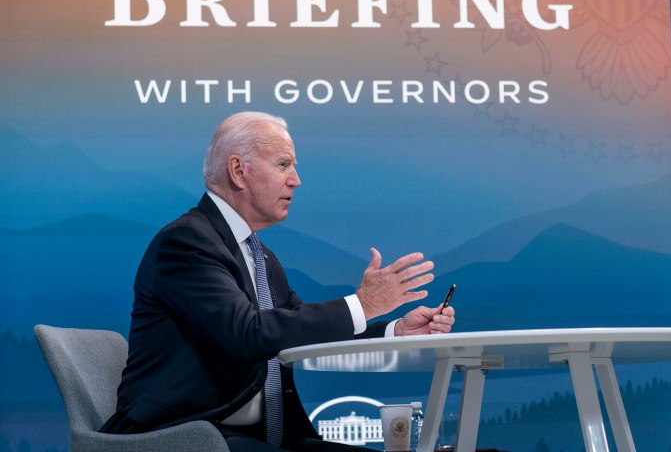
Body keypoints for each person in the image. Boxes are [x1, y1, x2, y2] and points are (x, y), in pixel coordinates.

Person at [100, 111, 455, 451]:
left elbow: (298, 329)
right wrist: (363, 303)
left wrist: (394, 330)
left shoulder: (259, 256)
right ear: (238, 171)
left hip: (261, 437)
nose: (296, 179)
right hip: (187, 436)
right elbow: (249, 334)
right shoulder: (186, 243)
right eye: (284, 164)